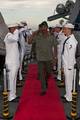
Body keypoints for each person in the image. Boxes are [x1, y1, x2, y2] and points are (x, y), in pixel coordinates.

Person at [28, 21, 57, 95]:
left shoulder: (51, 36)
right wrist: (33, 34)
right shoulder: (37, 36)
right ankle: (43, 89)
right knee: (41, 74)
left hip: (49, 58)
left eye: (45, 27)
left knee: (49, 73)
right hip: (40, 58)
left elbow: (55, 47)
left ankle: (46, 81)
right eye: (42, 27)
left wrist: (55, 58)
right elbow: (29, 42)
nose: (43, 29)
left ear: (47, 27)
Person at [4, 23, 20, 102]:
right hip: (11, 62)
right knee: (11, 79)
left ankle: (13, 95)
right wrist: (17, 31)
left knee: (14, 79)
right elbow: (16, 39)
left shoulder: (12, 36)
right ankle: (10, 97)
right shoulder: (9, 36)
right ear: (11, 28)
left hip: (15, 61)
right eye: (15, 28)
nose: (16, 29)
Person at [62, 23, 78, 102]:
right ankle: (67, 94)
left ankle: (69, 97)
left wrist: (69, 67)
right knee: (67, 81)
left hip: (69, 66)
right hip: (66, 64)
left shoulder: (71, 41)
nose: (63, 30)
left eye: (64, 29)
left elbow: (71, 55)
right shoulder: (68, 39)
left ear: (69, 30)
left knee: (69, 82)